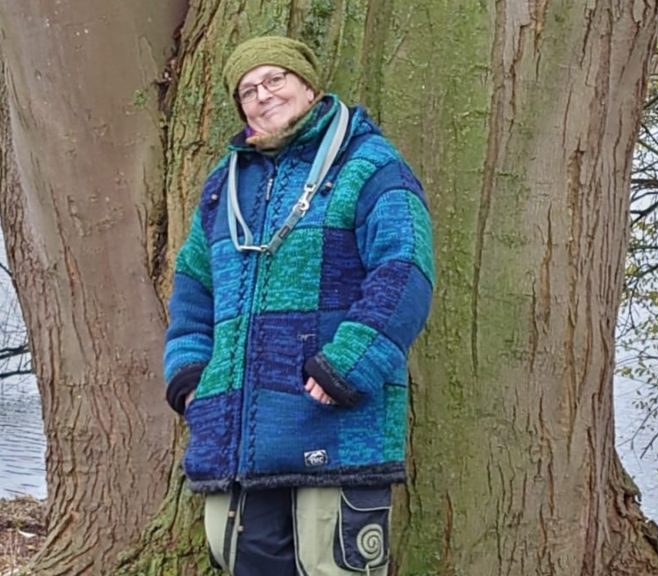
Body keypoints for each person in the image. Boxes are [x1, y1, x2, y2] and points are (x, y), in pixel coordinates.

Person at [163, 35, 435, 575]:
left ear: (308, 86)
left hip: (333, 424)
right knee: (241, 559)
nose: (263, 95)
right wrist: (191, 377)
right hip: (234, 435)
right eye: (248, 90)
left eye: (275, 79)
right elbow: (193, 289)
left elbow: (405, 269)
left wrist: (348, 364)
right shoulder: (223, 187)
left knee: (332, 564)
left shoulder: (369, 164)